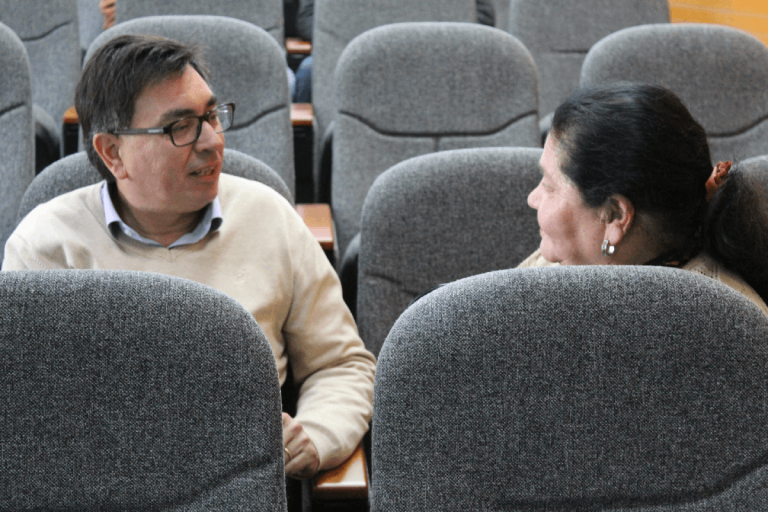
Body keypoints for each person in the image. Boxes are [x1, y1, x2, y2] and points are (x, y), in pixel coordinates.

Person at [2, 35, 376, 481]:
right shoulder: (45, 247)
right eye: (180, 127)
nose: (212, 141)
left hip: (239, 484)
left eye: (211, 116)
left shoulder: (268, 216)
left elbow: (341, 365)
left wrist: (316, 434)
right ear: (113, 152)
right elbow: (23, 409)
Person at [521, 82, 768, 316]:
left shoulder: (728, 326)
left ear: (615, 215)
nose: (532, 198)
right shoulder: (552, 267)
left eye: (549, 185)